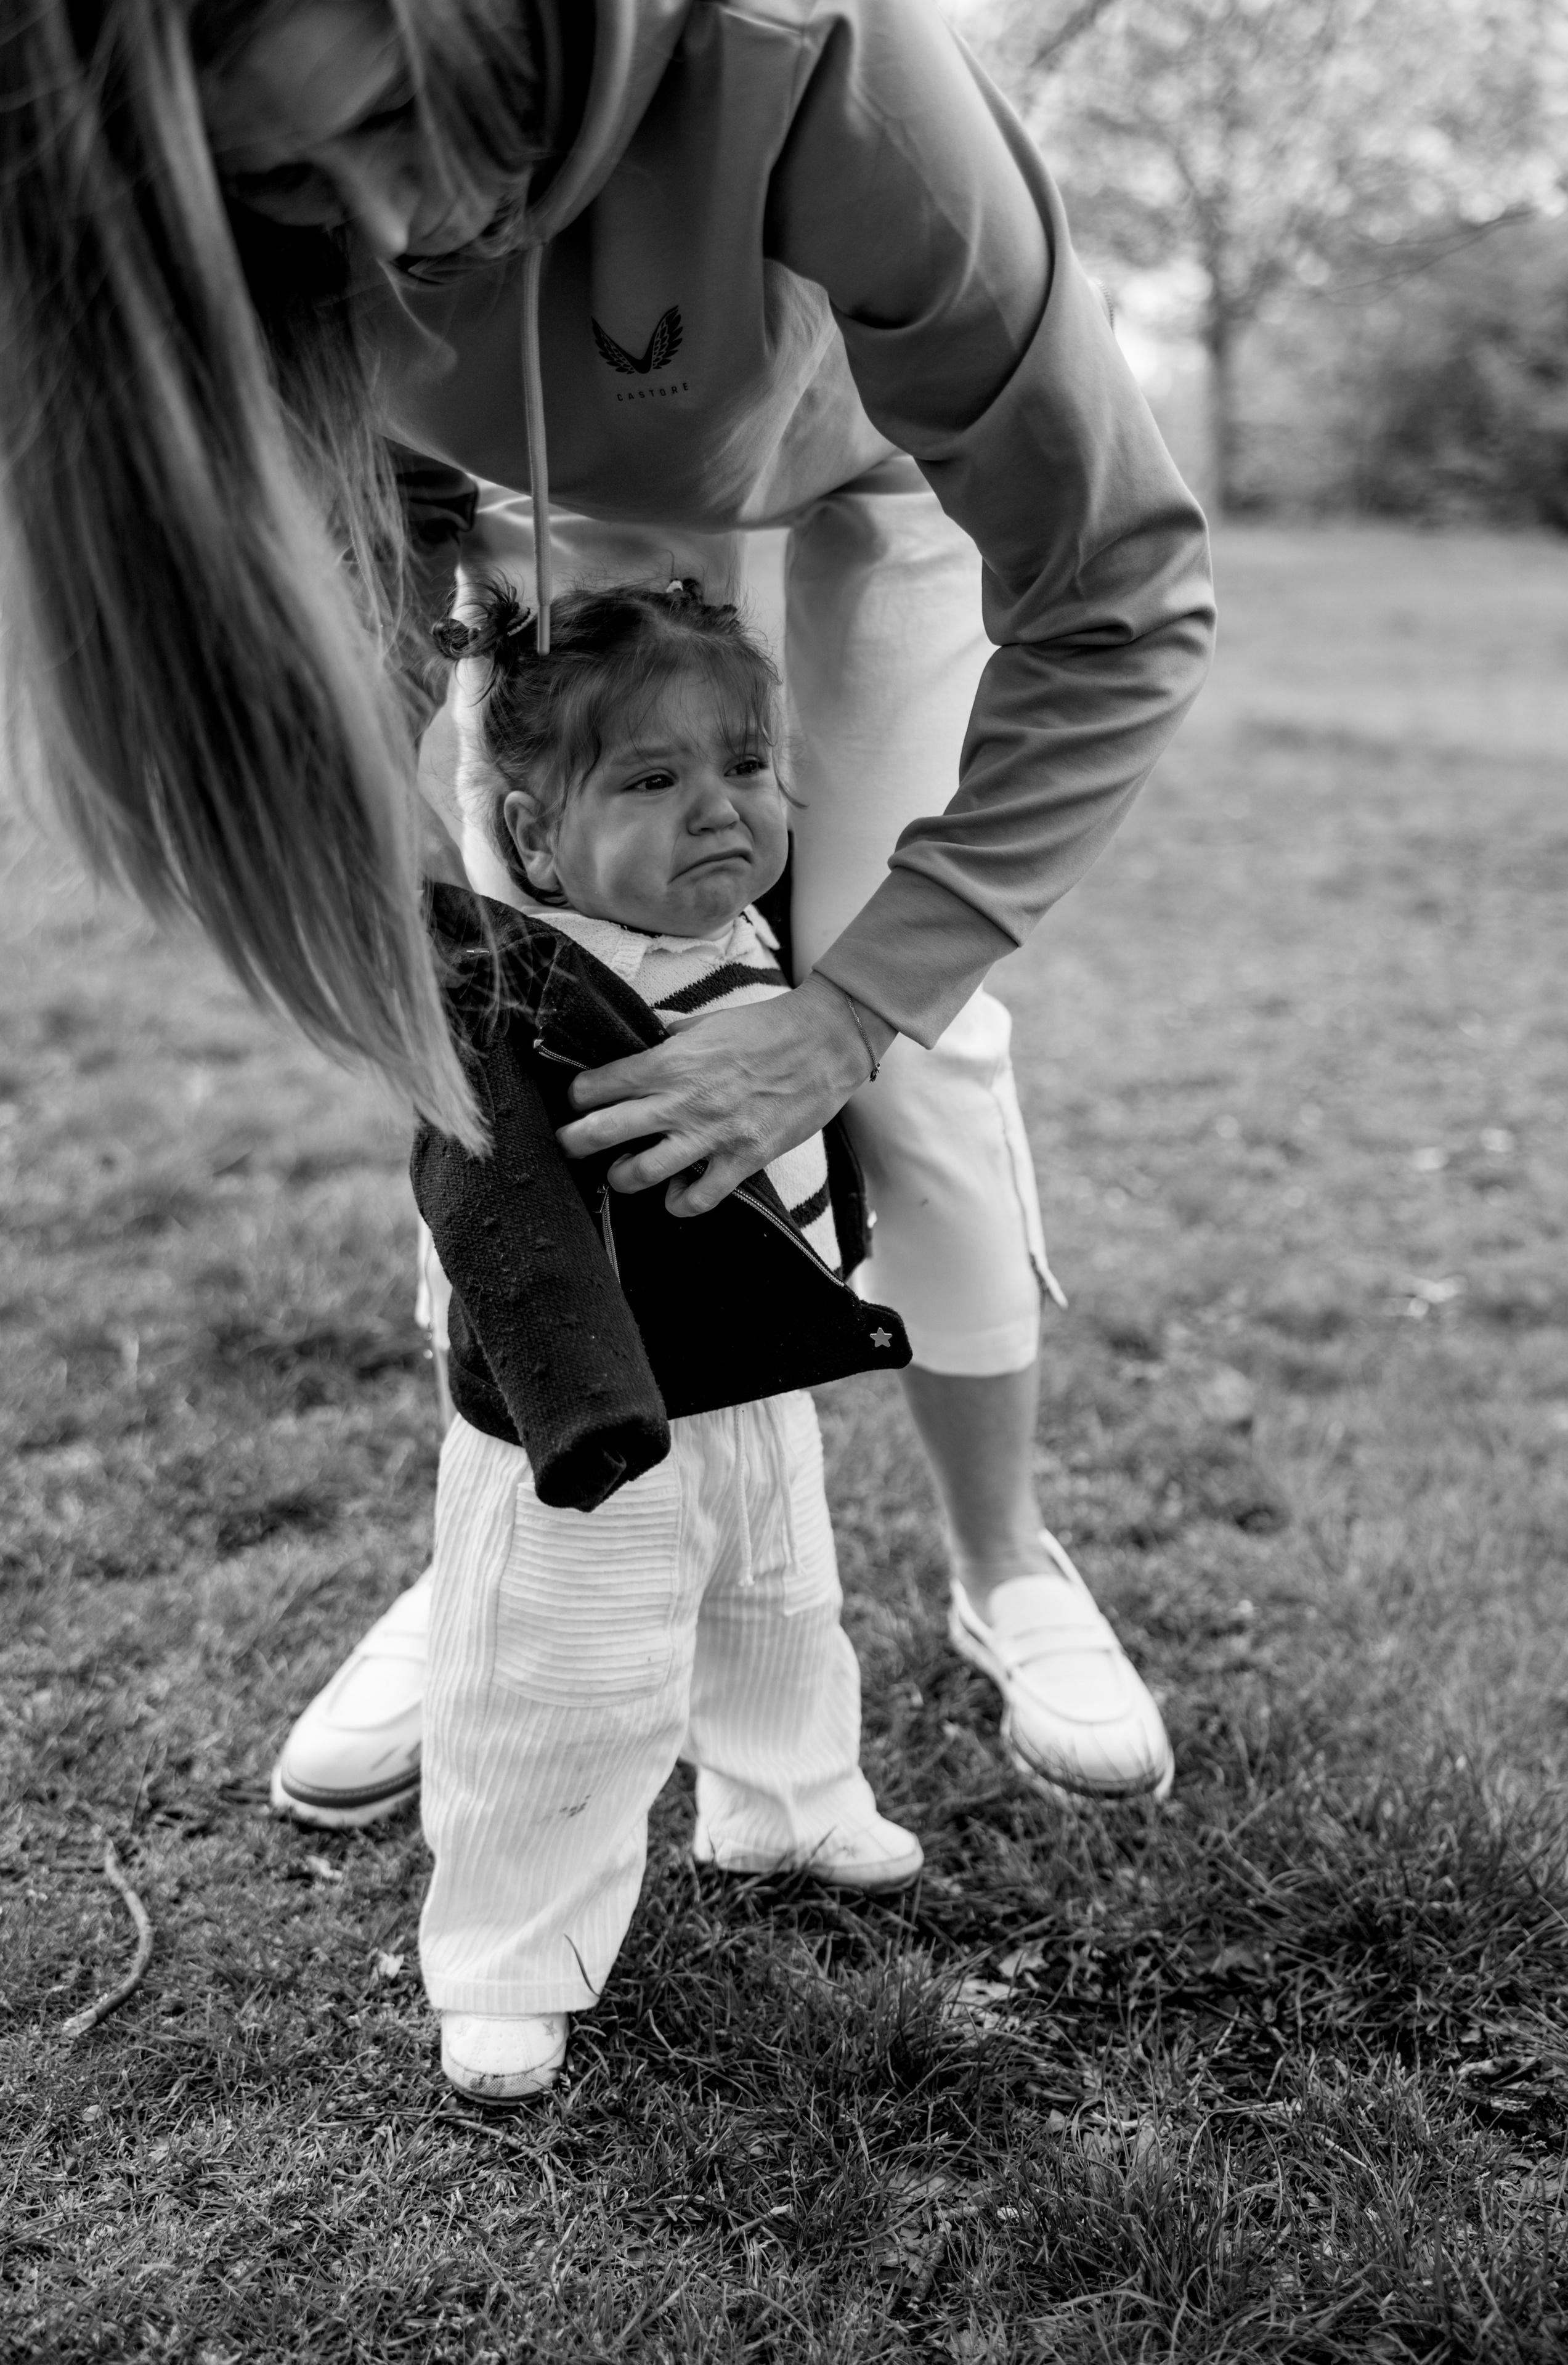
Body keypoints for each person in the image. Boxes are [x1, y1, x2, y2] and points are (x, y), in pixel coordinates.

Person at [2, 0, 1213, 1827]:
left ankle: (1008, 1560)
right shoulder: (284, 211)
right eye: (289, 184)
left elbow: (1118, 588)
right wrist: (401, 810)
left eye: (392, 127)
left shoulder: (816, 65)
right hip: (539, 509)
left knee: (909, 1044)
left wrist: (845, 1009)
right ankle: (495, 1521)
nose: (386, 230)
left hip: (878, 477)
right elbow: (373, 492)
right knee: (508, 1056)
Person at [415, 571, 924, 2100]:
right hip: (594, 1414)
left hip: (754, 1377)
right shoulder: (512, 987)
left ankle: (782, 1797)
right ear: (534, 836)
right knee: (561, 1679)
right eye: (649, 779)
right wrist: (571, 1403)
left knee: (779, 1599)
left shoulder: (773, 930)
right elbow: (487, 1195)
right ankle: (508, 1954)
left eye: (745, 764)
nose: (719, 807)